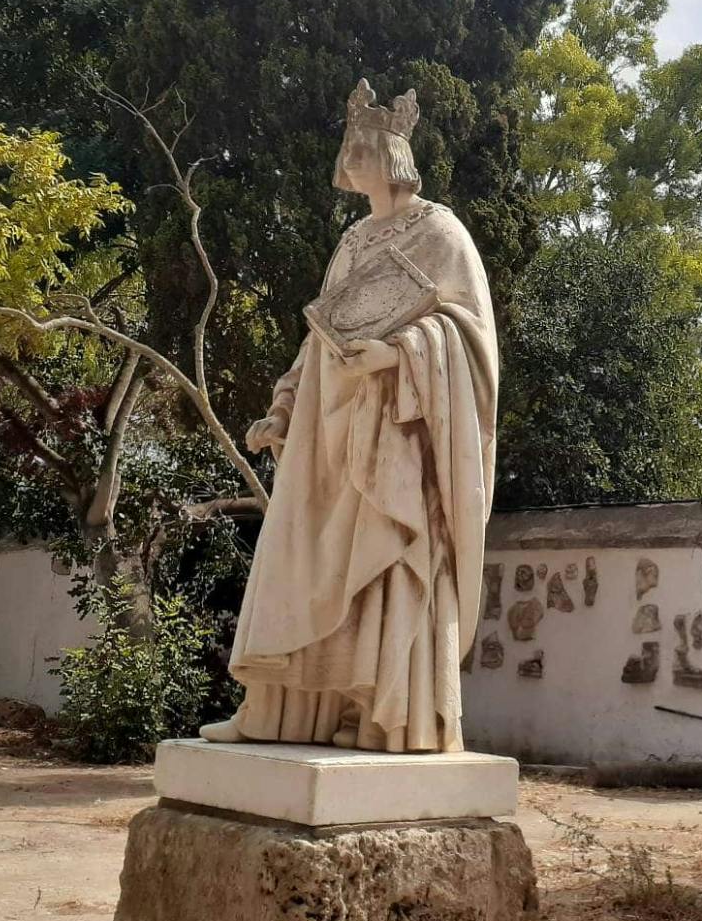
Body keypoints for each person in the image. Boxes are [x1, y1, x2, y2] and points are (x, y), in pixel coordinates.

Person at [201, 80, 498, 753]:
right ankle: (279, 716)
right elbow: (322, 332)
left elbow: (470, 339)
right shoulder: (355, 237)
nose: (350, 164)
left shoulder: (442, 230)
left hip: (397, 428)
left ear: (393, 153)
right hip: (327, 433)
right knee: (304, 562)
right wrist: (282, 407)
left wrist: (394, 357)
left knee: (386, 562)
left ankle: (382, 716)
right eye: (348, 152)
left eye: (362, 150)